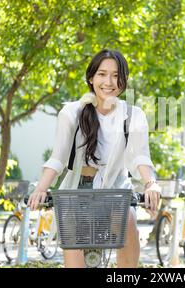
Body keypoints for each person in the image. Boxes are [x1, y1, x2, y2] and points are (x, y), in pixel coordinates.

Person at [28, 49, 161, 268]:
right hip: (78, 189)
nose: (109, 81)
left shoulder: (133, 115)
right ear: (91, 78)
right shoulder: (72, 112)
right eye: (102, 74)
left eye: (116, 75)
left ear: (124, 80)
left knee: (128, 223)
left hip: (115, 188)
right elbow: (58, 158)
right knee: (75, 251)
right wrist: (41, 189)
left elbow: (140, 157)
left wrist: (151, 184)